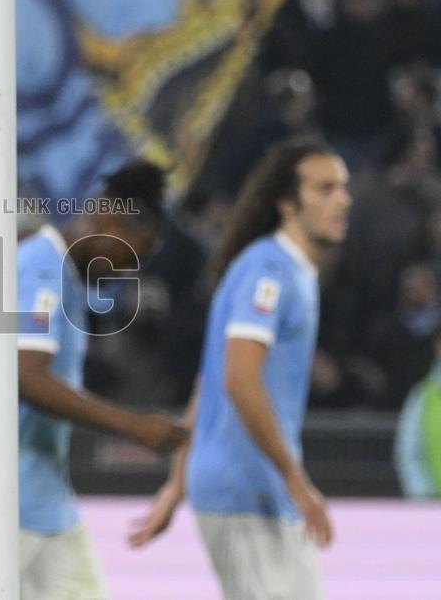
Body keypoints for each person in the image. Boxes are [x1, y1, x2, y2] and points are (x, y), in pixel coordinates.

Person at [0, 161, 188, 600]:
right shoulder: (38, 268)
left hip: (40, 502)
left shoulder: (55, 274)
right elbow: (26, 379)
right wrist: (133, 426)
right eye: (129, 255)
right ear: (106, 219)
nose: (126, 271)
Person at [131, 135, 351, 600]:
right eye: (325, 189)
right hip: (248, 489)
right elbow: (237, 379)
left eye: (342, 187)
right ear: (288, 204)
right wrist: (295, 477)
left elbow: (209, 380)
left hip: (253, 487)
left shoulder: (284, 270)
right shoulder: (269, 271)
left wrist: (176, 482)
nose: (342, 200)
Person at [394, 310, 441, 499]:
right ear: (439, 348)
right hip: (429, 511)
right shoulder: (422, 396)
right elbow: (408, 453)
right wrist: (425, 498)